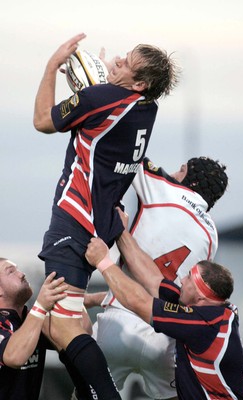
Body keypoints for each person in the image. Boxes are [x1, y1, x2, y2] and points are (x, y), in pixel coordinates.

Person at [33, 33, 179, 399]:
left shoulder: (99, 99)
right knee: (72, 321)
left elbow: (42, 121)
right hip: (102, 225)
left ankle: (104, 394)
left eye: (126, 62)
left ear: (140, 82)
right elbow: (105, 112)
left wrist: (53, 64)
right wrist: (92, 89)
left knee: (61, 326)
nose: (116, 59)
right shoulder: (147, 108)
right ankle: (90, 392)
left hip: (74, 218)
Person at [92, 156, 228, 399]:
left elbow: (131, 154)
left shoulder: (165, 188)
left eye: (181, 169)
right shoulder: (212, 236)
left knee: (86, 391)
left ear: (191, 178)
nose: (175, 173)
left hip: (118, 319)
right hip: (165, 336)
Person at [85, 232, 243, 400]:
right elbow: (153, 279)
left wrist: (103, 262)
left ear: (201, 294)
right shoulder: (212, 313)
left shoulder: (204, 322)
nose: (182, 280)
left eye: (190, 278)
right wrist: (121, 232)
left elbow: (138, 302)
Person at [0, 257, 68, 400]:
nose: (21, 274)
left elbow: (80, 333)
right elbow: (14, 357)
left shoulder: (32, 319)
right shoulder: (34, 317)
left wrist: (72, 293)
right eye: (11, 272)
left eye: (18, 269)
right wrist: (40, 306)